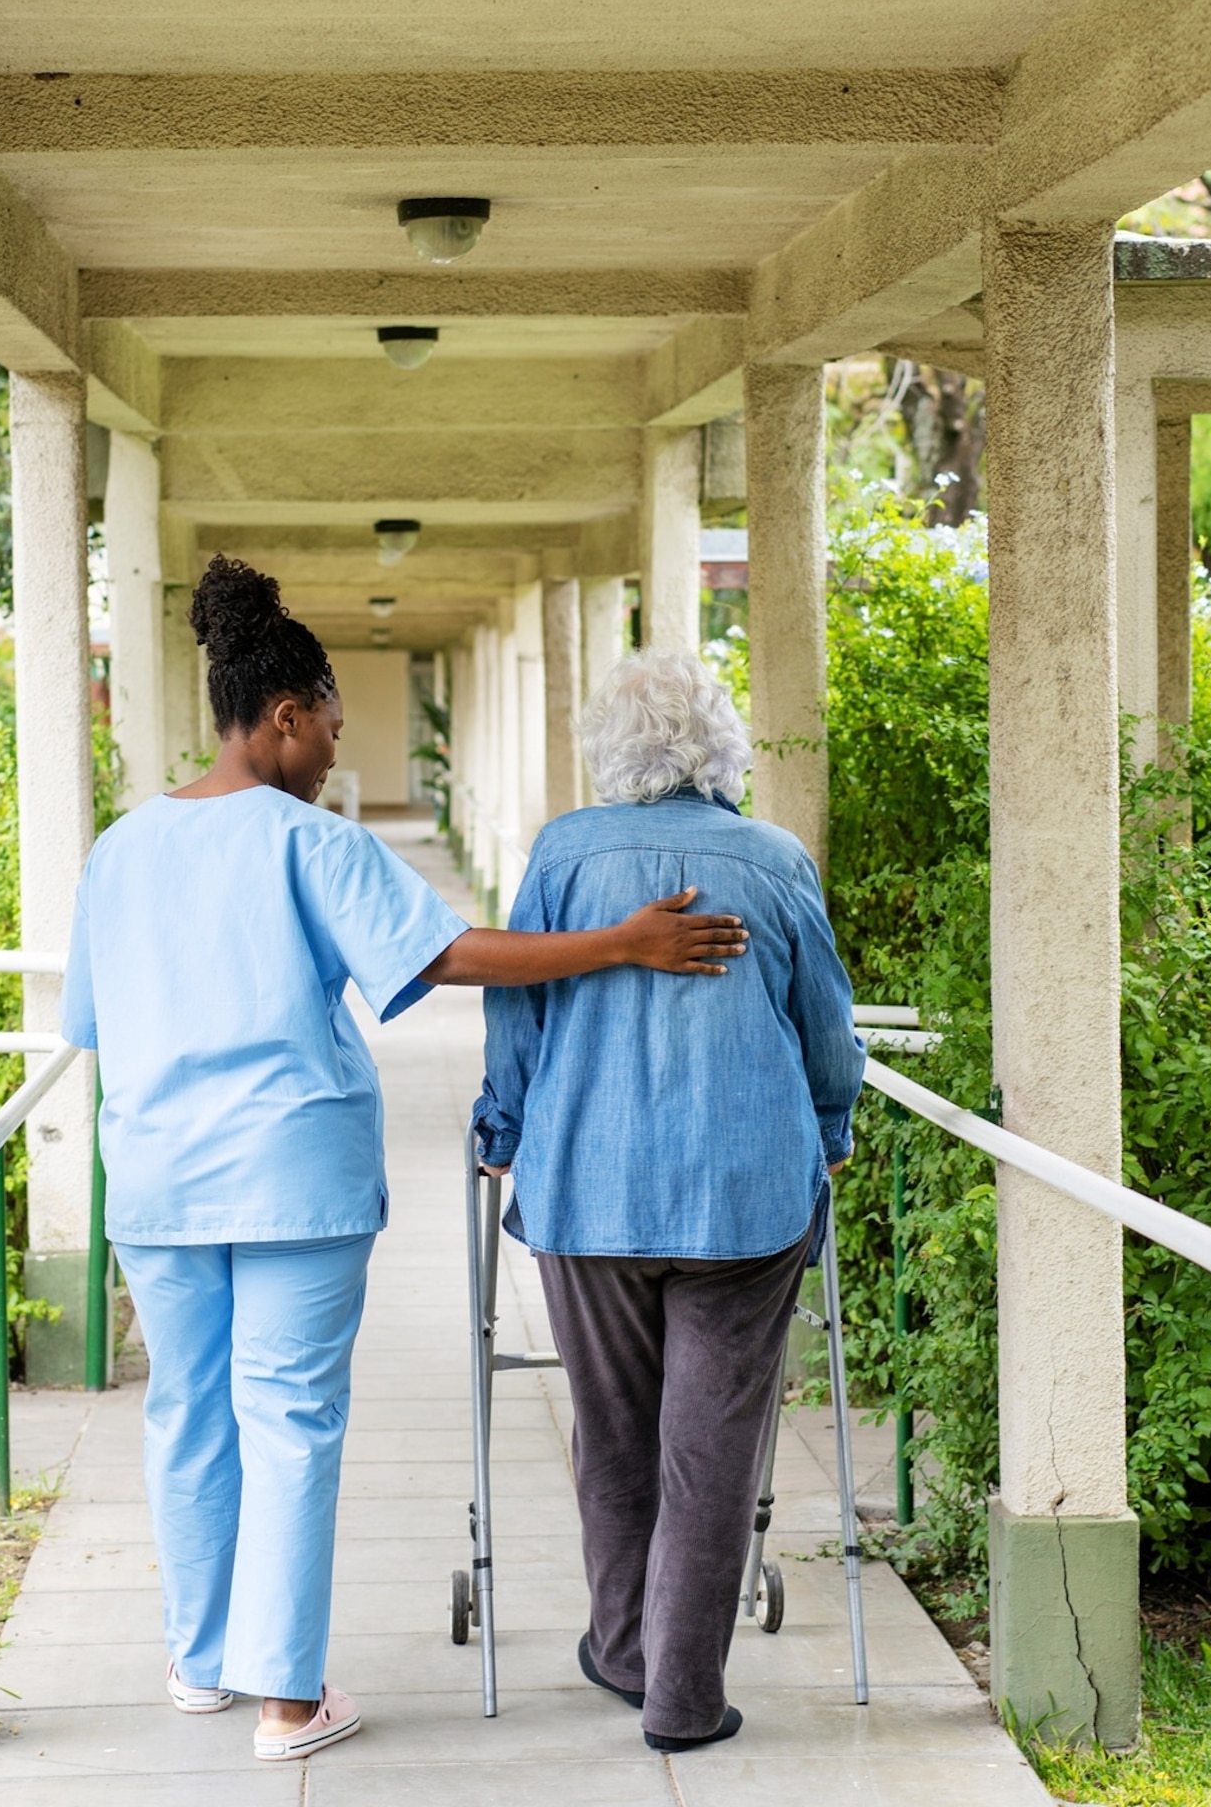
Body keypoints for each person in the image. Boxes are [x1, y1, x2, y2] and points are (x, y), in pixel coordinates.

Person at [60, 557, 747, 1763]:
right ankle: (287, 1699)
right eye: (329, 721)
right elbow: (452, 954)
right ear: (284, 712)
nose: (333, 745)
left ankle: (200, 1658)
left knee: (188, 1415)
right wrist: (624, 942)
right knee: (286, 1417)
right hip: (288, 1182)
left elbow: (93, 1024)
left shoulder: (120, 849)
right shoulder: (303, 839)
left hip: (158, 1181)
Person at [472, 648, 864, 1752]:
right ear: (722, 745)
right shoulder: (775, 860)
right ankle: (683, 1695)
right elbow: (825, 1031)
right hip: (745, 1200)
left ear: (609, 751)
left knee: (613, 1432)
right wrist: (831, 1132)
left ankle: (625, 1648)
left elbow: (518, 1008)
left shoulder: (563, 855)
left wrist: (503, 1128)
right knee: (714, 1445)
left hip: (588, 1192)